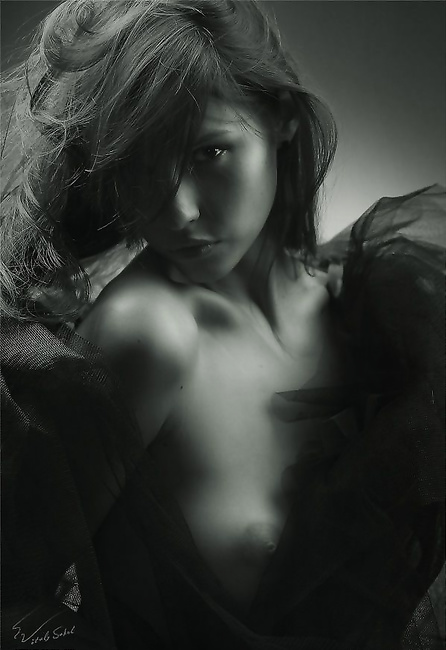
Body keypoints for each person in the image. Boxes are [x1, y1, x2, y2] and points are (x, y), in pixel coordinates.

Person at [1, 1, 444, 649]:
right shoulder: (150, 335)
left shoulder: (378, 305)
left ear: (282, 118)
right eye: (136, 166)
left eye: (210, 152)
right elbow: (11, 597)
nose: (178, 210)